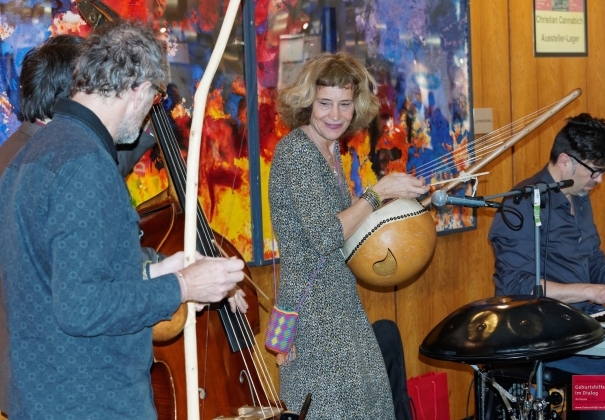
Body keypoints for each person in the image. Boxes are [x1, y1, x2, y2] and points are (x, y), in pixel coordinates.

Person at [0, 21, 245, 419]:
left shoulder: (34, 152)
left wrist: (156, 269)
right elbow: (81, 307)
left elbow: (61, 274)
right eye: (154, 96)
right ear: (137, 89)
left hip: (45, 400)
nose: (150, 109)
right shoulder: (83, 162)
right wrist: (183, 286)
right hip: (93, 403)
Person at [268, 51, 430, 419]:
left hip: (339, 301)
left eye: (344, 104)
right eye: (325, 103)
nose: (336, 115)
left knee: (368, 406)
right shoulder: (296, 151)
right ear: (307, 102)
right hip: (313, 312)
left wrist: (395, 202)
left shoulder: (330, 149)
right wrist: (378, 193)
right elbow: (326, 235)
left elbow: (344, 226)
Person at [488, 113, 605, 419]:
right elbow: (517, 285)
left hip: (582, 319)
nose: (599, 180)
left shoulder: (579, 196)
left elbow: (592, 259)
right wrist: (593, 291)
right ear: (565, 161)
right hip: (541, 330)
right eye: (595, 171)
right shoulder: (521, 204)